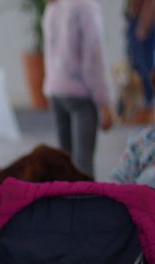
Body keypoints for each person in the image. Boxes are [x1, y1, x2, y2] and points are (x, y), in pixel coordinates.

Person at [42, 0, 114, 177]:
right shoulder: (86, 7)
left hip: (56, 89)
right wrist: (104, 101)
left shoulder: (54, 5)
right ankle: (85, 204)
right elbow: (93, 59)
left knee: (64, 166)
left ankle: (65, 204)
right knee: (83, 166)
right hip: (81, 94)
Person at [124, 0, 155, 122]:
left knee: (145, 69)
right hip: (136, 19)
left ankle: (148, 105)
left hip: (142, 21)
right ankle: (146, 106)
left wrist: (144, 20)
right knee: (138, 68)